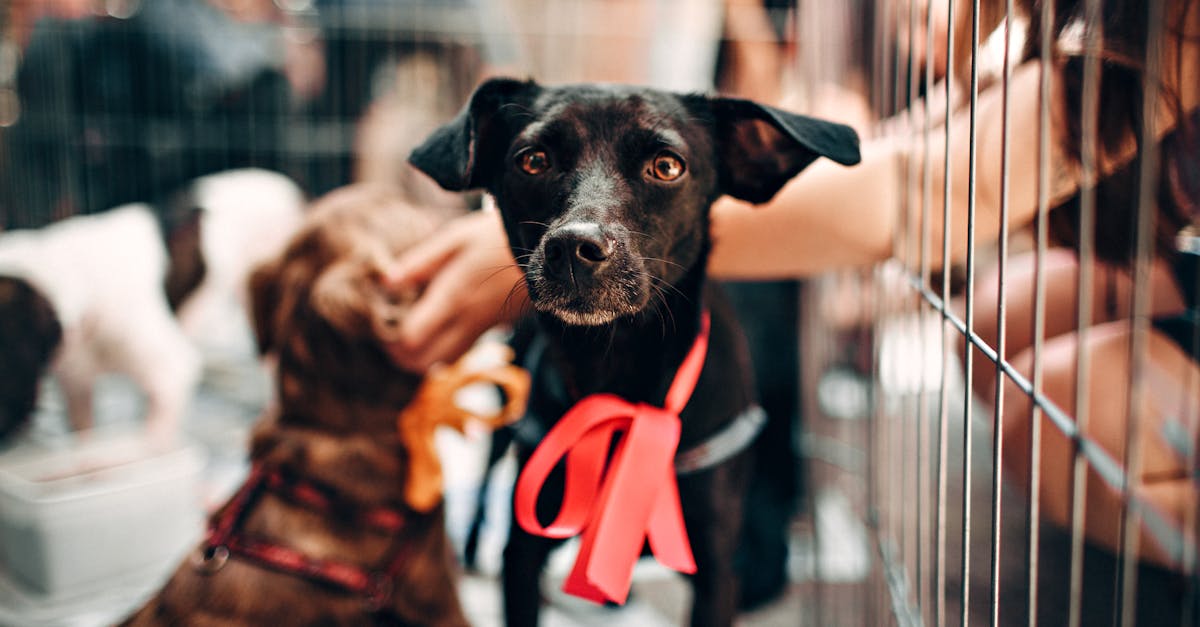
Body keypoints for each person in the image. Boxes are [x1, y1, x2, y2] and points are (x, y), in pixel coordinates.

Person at [385, 0, 1198, 617]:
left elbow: (930, 188)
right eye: (534, 158)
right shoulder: (1100, 41)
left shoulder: (1169, 30)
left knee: (1063, 417)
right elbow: (933, 157)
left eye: (664, 165)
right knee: (999, 310)